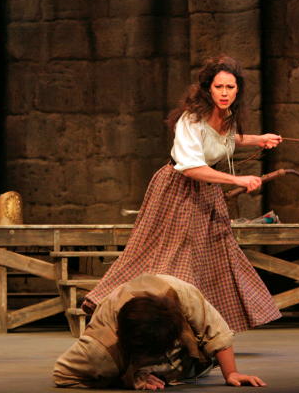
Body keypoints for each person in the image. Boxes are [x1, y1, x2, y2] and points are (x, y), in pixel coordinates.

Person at [82, 55, 282, 332]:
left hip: (206, 191)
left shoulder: (227, 116)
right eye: (219, 87)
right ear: (208, 88)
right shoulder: (192, 119)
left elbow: (219, 141)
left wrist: (256, 139)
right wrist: (236, 178)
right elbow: (191, 167)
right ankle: (121, 314)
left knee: (215, 256)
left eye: (230, 88)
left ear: (238, 90)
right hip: (178, 190)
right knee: (168, 257)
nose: (224, 93)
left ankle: (204, 327)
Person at [54, 274, 266, 389]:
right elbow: (62, 374)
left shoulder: (179, 293)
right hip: (132, 361)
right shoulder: (100, 348)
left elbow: (216, 329)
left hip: (187, 359)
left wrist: (231, 373)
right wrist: (125, 379)